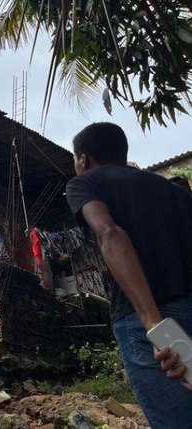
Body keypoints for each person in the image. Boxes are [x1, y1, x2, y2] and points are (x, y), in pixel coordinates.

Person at [65, 122, 192, 428]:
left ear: (83, 160)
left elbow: (109, 234)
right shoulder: (173, 190)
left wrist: (153, 323)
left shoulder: (84, 183)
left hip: (147, 319)